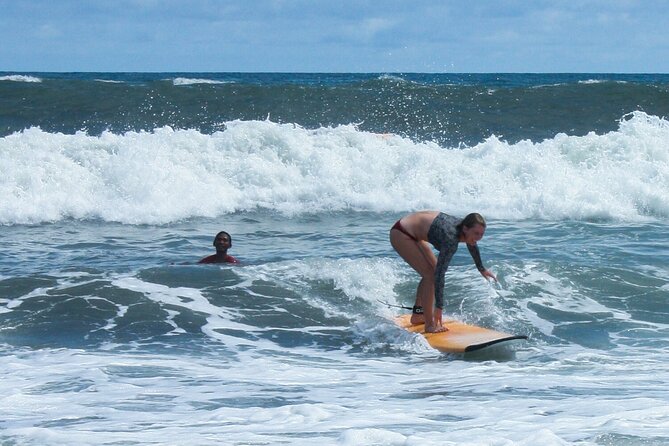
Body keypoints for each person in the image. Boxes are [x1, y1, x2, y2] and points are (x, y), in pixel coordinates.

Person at [390, 211, 496, 333]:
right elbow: (439, 275)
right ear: (465, 229)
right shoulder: (451, 239)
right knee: (431, 275)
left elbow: (471, 242)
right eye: (476, 233)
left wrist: (481, 268)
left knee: (432, 272)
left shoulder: (465, 227)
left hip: (414, 232)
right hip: (401, 233)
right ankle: (429, 325)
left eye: (481, 234)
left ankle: (418, 314)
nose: (478, 238)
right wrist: (439, 307)